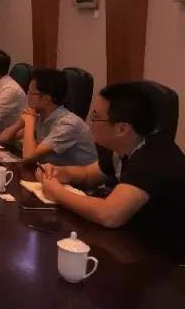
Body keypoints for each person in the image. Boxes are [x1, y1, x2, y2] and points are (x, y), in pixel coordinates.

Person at [36, 82, 185, 231]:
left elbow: (109, 215)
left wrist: (57, 193)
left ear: (122, 129)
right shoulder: (123, 146)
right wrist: (58, 172)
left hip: (157, 243)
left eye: (95, 117)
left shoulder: (153, 158)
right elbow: (88, 175)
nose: (90, 124)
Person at [0, 68, 96, 166]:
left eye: (31, 93)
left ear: (46, 99)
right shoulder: (41, 116)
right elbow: (3, 139)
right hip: (51, 171)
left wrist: (29, 122)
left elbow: (28, 156)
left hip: (76, 175)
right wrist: (19, 124)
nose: (27, 96)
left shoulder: (68, 124)